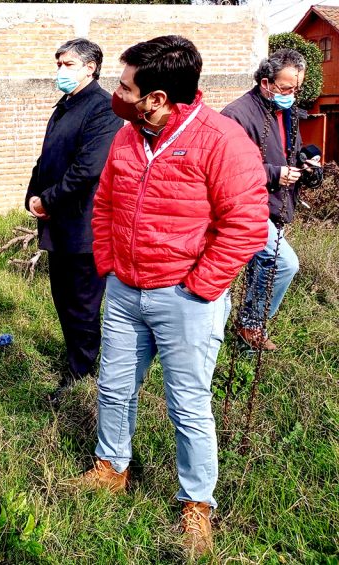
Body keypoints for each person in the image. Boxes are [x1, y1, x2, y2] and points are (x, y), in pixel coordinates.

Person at [78, 36, 269, 555]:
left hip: (185, 299)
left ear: (158, 97)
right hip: (123, 291)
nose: (116, 94)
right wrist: (109, 266)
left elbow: (246, 226)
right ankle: (112, 467)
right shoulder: (126, 136)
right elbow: (107, 204)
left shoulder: (223, 142)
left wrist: (201, 287)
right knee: (114, 389)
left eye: (125, 87)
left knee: (188, 406)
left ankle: (196, 504)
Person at [25, 38, 121, 398]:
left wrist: (47, 200)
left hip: (84, 226)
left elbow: (87, 169)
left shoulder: (103, 108)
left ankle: (83, 372)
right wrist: (32, 196)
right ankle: (76, 358)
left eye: (68, 65)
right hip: (57, 223)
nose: (60, 71)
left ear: (90, 68)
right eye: (59, 64)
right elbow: (47, 158)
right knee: (63, 299)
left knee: (81, 304)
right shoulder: (65, 105)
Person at [222, 49, 323, 351]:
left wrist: (306, 161)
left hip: (277, 204)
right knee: (283, 263)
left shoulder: (285, 110)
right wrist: (274, 173)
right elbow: (228, 166)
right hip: (245, 207)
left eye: (297, 88)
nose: (292, 94)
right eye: (286, 88)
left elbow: (292, 151)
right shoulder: (236, 114)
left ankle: (242, 342)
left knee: (261, 268)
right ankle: (250, 325)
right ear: (265, 82)